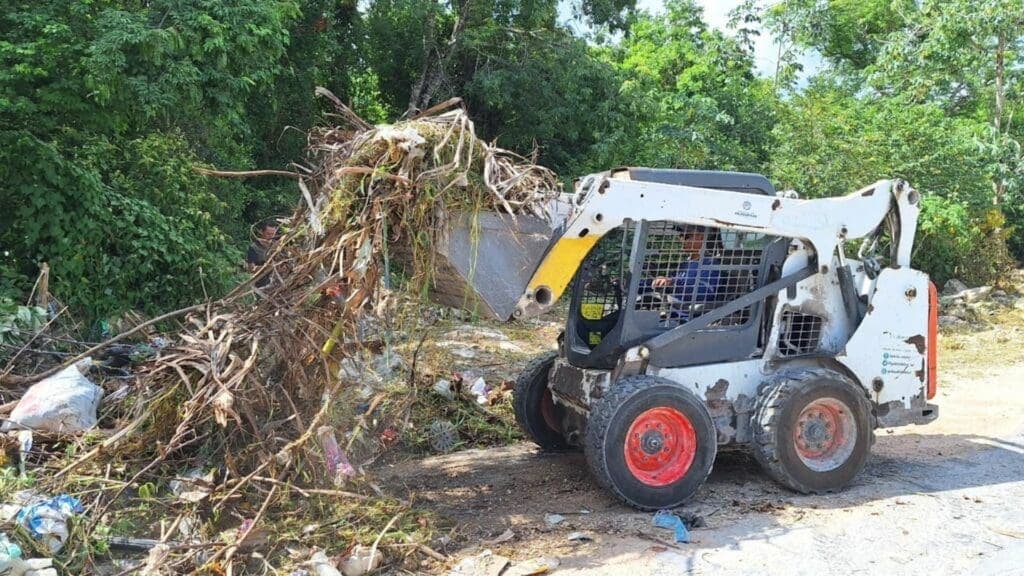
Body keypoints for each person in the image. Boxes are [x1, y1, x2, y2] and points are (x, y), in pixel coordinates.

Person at [642, 228, 720, 321]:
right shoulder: (686, 263)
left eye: (687, 236)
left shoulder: (710, 264)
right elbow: (672, 281)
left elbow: (702, 293)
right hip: (671, 313)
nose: (682, 240)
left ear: (701, 237)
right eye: (681, 236)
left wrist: (673, 283)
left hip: (687, 320)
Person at [247, 220, 278, 286]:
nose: (271, 236)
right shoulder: (254, 248)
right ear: (261, 232)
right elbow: (251, 269)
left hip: (275, 282)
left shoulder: (277, 246)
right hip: (260, 283)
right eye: (268, 234)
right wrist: (267, 267)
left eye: (273, 234)